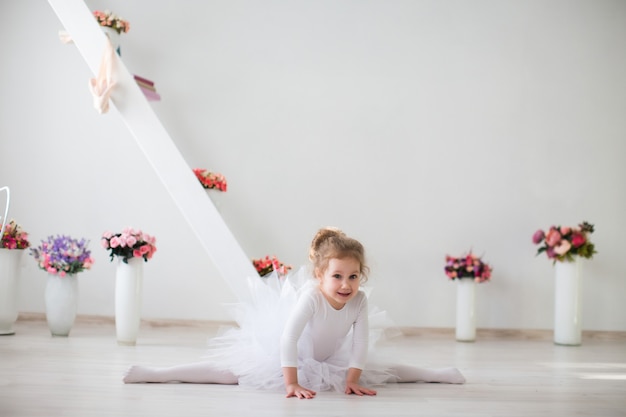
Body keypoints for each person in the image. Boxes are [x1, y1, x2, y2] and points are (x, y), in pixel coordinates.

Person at [123, 227, 465, 398]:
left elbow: (360, 344)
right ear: (320, 276)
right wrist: (292, 383)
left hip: (329, 356)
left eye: (353, 276)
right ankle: (157, 372)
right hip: (286, 354)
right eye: (337, 276)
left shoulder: (358, 301)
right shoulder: (311, 298)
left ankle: (439, 373)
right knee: (229, 373)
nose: (346, 284)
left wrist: (352, 378)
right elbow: (289, 338)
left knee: (384, 370)